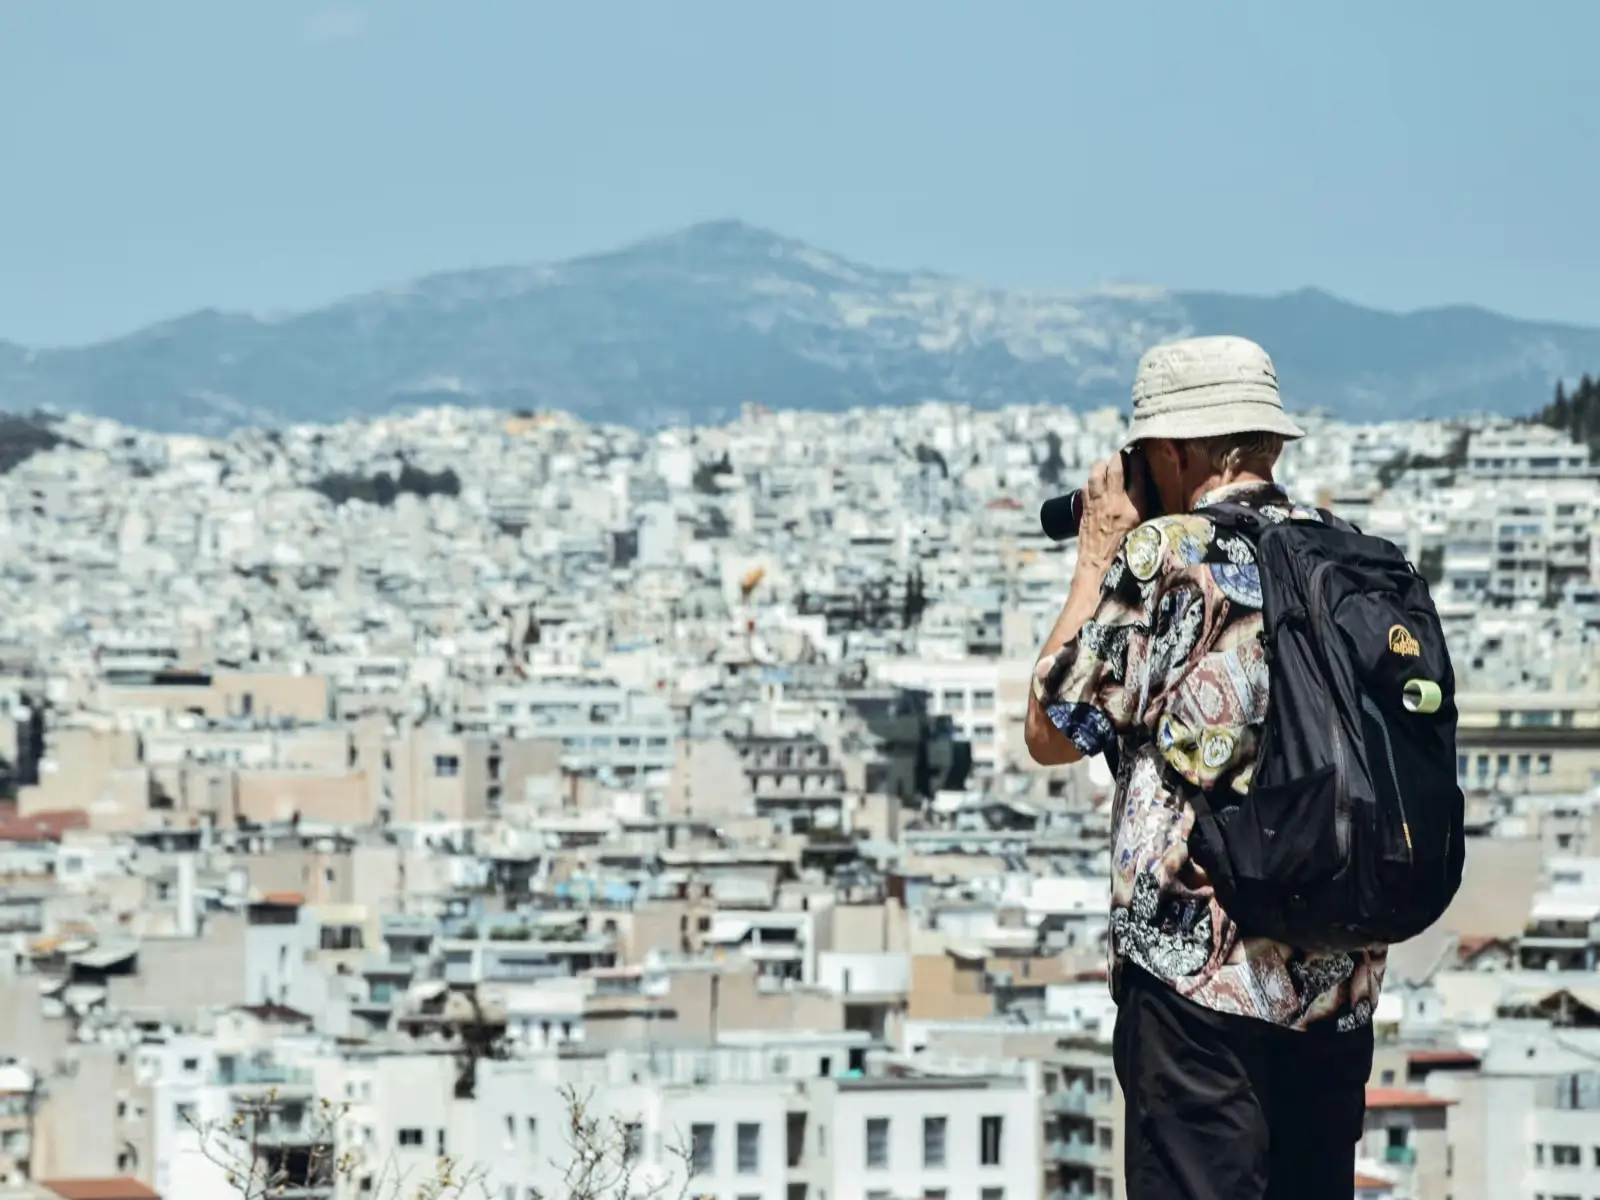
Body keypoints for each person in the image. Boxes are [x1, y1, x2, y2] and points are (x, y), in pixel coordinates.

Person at [1025, 335, 1383, 1200]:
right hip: (1336, 976)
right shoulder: (1352, 557)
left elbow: (1050, 729)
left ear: (1173, 452)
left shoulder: (1169, 558)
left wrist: (1099, 553)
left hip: (1198, 982)